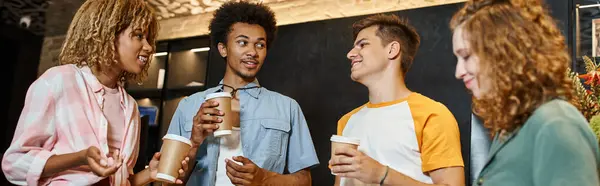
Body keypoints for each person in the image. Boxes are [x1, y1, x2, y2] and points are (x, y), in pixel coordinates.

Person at [1, 0, 188, 185]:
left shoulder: (129, 106)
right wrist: (80, 158)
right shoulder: (59, 81)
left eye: (149, 39)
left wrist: (149, 173)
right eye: (139, 36)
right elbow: (15, 163)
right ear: (108, 35)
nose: (148, 47)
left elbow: (119, 180)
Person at [166, 1, 319, 185]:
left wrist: (263, 179)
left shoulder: (287, 108)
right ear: (223, 49)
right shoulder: (189, 106)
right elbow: (168, 180)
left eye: (260, 45)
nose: (252, 52)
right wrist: (195, 141)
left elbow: (304, 180)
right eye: (242, 42)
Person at [451, 0, 600, 185]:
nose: (459, 72)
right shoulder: (510, 127)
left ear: (504, 52)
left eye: (466, 56)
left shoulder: (556, 125)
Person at [329, 14, 465, 186]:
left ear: (392, 50)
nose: (350, 54)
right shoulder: (346, 122)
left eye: (362, 44)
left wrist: (381, 174)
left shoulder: (432, 115)